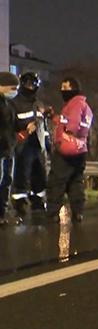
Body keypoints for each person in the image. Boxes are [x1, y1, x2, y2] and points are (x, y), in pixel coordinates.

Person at [47, 77, 93, 223]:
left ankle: (53, 213)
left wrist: (69, 132)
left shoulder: (75, 104)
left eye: (65, 88)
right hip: (80, 149)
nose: (62, 90)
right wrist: (54, 117)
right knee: (75, 181)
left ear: (74, 88)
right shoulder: (84, 105)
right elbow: (65, 121)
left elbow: (72, 122)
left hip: (67, 149)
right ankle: (78, 212)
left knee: (57, 180)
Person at [12, 72, 50, 216]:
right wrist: (24, 131)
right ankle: (19, 202)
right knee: (21, 174)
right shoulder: (14, 103)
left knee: (39, 174)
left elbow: (43, 127)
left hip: (37, 145)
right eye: (27, 83)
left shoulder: (38, 103)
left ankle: (38, 200)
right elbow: (10, 126)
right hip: (22, 145)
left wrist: (47, 143)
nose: (30, 86)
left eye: (33, 84)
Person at [0, 72, 20, 226]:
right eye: (13, 88)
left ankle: (2, 213)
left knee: (7, 181)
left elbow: (12, 126)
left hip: (9, 149)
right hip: (1, 149)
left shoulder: (10, 105)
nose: (15, 91)